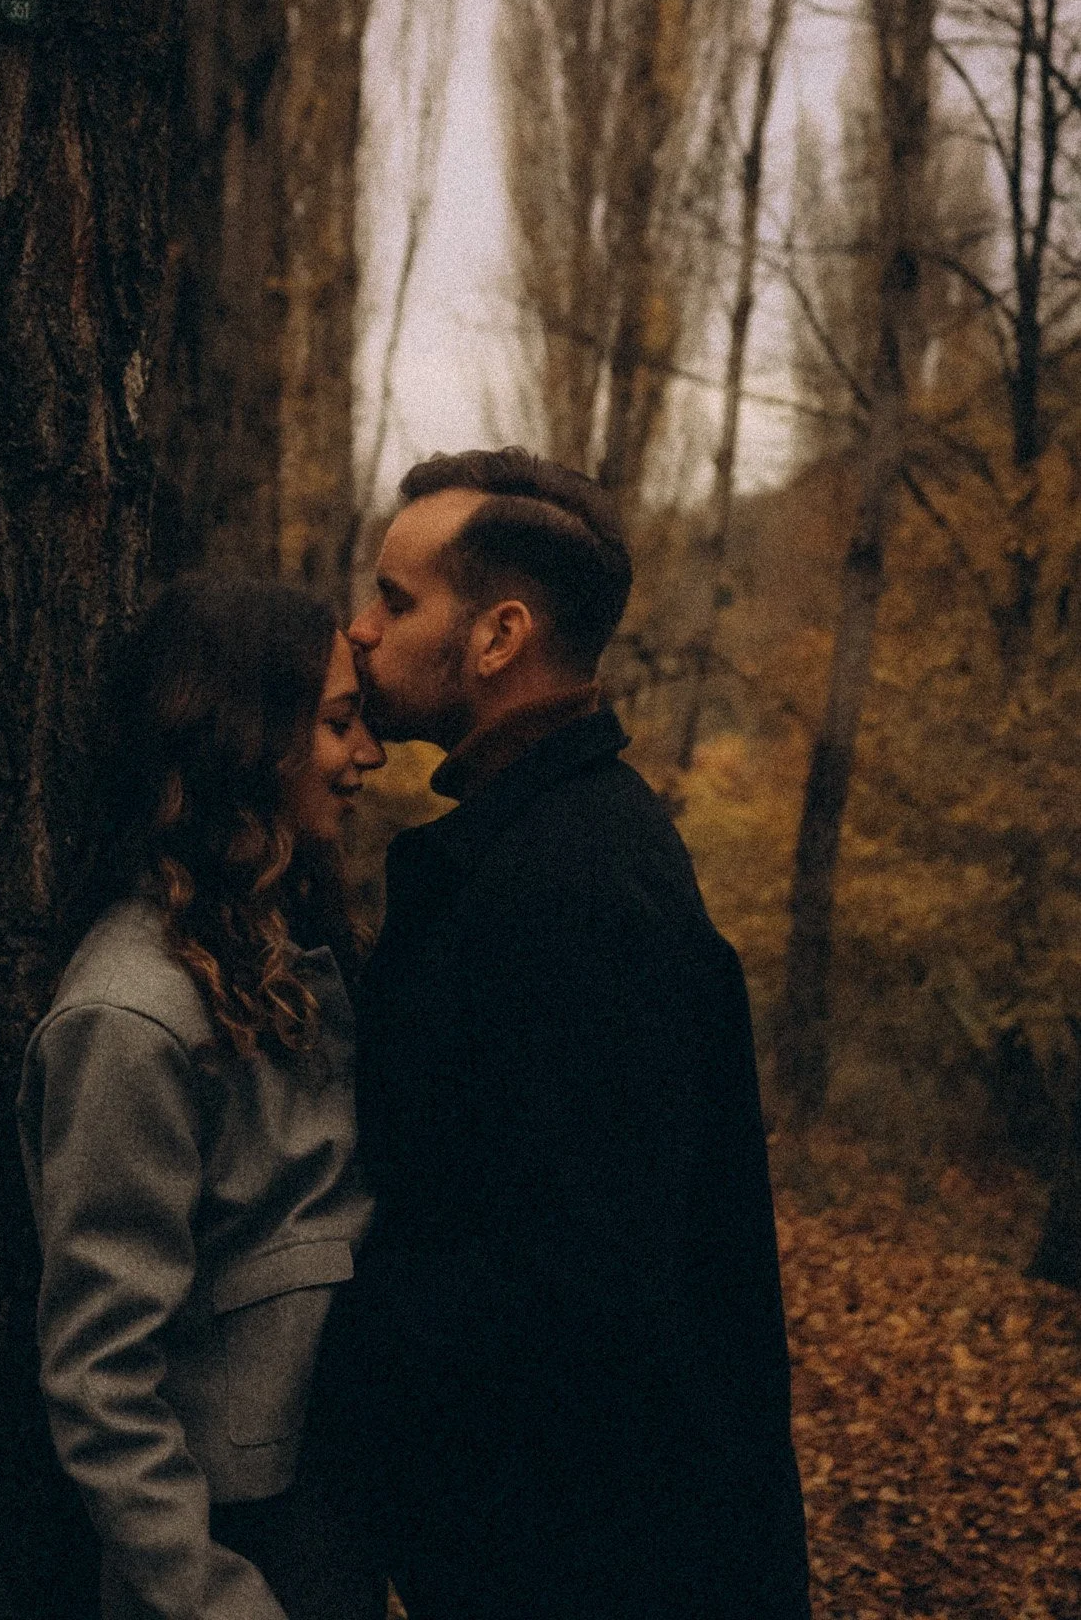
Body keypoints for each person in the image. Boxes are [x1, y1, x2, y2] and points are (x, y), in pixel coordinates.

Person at [313, 449, 810, 1620]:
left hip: (608, 1563)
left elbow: (577, 1283)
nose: (363, 629)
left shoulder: (578, 885)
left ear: (498, 637)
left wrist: (322, 1327)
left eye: (395, 598)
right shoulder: (541, 843)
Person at [17, 578, 386, 1620]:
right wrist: (215, 1597)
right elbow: (99, 1374)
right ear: (248, 738)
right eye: (338, 722)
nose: (370, 755)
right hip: (236, 1546)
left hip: (318, 1514)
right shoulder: (132, 1016)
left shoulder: (277, 959)